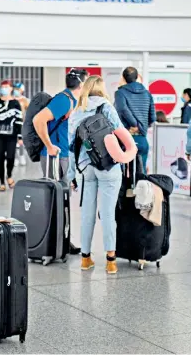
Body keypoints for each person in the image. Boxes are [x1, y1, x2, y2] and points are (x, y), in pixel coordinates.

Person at [68, 75, 124, 274]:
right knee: (108, 213)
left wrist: (71, 175)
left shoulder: (76, 112)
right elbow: (120, 132)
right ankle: (111, 261)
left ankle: (86, 258)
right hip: (108, 165)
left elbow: (70, 148)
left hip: (85, 168)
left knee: (87, 214)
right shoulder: (106, 107)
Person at [33, 69, 88, 181]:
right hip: (56, 155)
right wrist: (49, 146)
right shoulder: (64, 100)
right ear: (82, 84)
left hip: (66, 154)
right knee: (54, 195)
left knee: (64, 194)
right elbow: (38, 120)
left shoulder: (74, 100)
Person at [115, 66, 156, 169]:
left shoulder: (120, 93)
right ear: (137, 77)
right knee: (142, 172)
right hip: (142, 138)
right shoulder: (147, 93)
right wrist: (142, 126)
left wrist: (134, 124)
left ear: (123, 78)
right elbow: (153, 117)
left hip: (126, 138)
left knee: (124, 173)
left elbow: (122, 109)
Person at [0, 80, 23, 191]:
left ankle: (9, 175)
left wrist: (20, 136)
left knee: (11, 157)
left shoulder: (16, 103)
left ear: (11, 88)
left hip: (11, 136)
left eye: (6, 87)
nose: (4, 88)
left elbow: (19, 120)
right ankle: (2, 182)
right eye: (2, 87)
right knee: (0, 158)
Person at [13, 82, 29, 166]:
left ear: (22, 90)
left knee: (21, 141)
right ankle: (14, 158)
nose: (16, 91)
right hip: (12, 124)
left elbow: (29, 111)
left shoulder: (24, 100)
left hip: (21, 124)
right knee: (12, 141)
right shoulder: (11, 99)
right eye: (15, 89)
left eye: (18, 89)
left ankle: (22, 156)